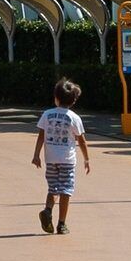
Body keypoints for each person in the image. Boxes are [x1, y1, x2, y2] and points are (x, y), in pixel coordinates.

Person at [35, 79, 93, 234]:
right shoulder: (74, 118)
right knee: (66, 190)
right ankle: (61, 224)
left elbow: (41, 136)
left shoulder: (47, 114)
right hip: (67, 160)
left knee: (53, 188)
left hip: (51, 158)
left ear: (56, 98)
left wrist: (36, 155)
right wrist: (86, 159)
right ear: (73, 100)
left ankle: (48, 210)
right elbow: (82, 141)